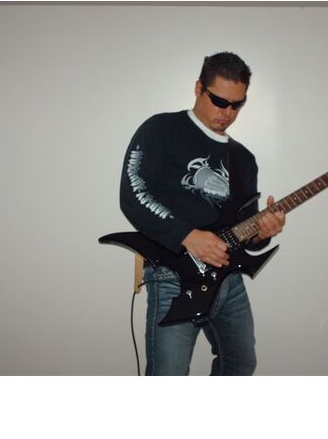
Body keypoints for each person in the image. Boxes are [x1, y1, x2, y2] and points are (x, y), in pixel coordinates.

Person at [119, 51, 286, 375]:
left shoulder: (244, 159)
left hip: (228, 279)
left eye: (237, 105)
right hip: (171, 274)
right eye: (219, 101)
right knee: (168, 374)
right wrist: (187, 236)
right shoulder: (161, 129)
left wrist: (262, 232)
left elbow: (245, 232)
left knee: (241, 365)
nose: (228, 113)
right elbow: (132, 194)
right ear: (199, 88)